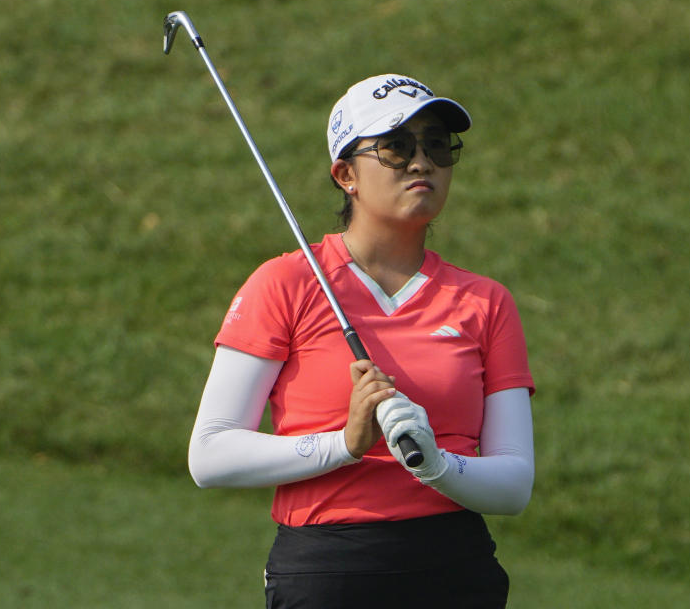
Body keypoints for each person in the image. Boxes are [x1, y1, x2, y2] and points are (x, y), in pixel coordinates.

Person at [188, 74, 535, 608]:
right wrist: (344, 445)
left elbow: (513, 484)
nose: (422, 162)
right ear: (345, 174)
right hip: (330, 571)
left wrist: (437, 465)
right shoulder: (287, 283)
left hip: (456, 569)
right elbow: (210, 454)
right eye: (396, 147)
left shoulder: (486, 302)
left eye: (437, 145)